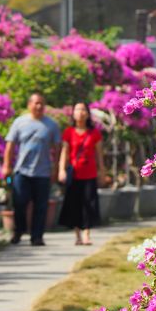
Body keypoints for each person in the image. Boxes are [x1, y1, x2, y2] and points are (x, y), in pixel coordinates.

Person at [2, 91, 62, 246]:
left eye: (42, 103)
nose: (39, 106)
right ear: (29, 105)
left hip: (42, 172)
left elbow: (58, 147)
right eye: (36, 103)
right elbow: (10, 145)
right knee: (19, 202)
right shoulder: (19, 122)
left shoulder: (51, 124)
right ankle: (19, 230)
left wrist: (55, 169)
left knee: (41, 206)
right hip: (22, 171)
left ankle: (37, 236)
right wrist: (6, 165)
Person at [57, 102, 105, 245]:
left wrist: (102, 171)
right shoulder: (68, 132)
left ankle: (86, 234)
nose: (81, 112)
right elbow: (64, 152)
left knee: (89, 204)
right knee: (74, 204)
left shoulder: (94, 133)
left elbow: (99, 154)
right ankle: (77, 234)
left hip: (90, 174)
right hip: (74, 175)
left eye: (83, 109)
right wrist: (61, 170)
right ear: (73, 113)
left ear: (88, 114)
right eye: (78, 109)